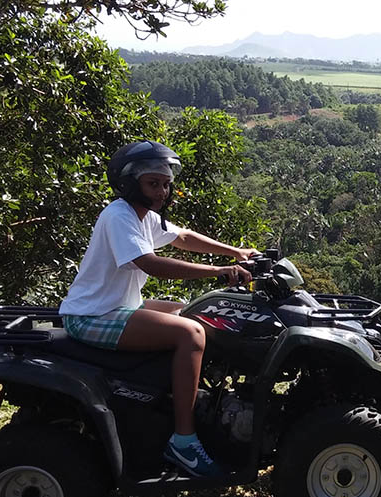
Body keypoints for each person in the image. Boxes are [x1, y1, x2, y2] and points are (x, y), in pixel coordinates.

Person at [58, 140, 258, 477]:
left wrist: (234, 251)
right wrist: (218, 271)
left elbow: (183, 237)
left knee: (196, 312)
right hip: (92, 314)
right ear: (129, 183)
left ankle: (186, 401)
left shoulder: (143, 216)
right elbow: (149, 263)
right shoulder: (119, 216)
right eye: (153, 184)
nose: (162, 192)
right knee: (191, 333)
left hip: (118, 306)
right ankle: (184, 441)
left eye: (166, 184)